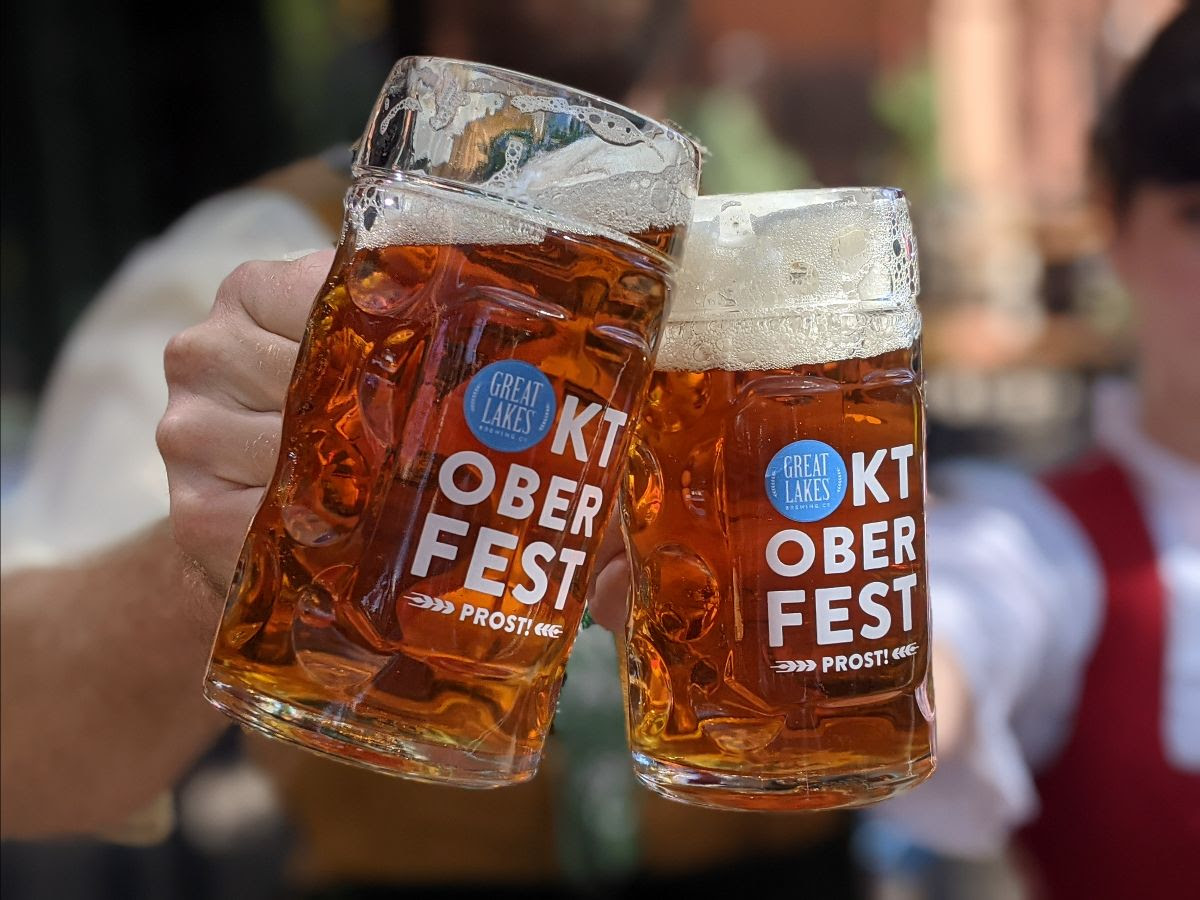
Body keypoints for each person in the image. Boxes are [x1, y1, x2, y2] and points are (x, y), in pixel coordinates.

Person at [859, 7, 1198, 897]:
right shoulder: (1041, 544)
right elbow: (949, 645)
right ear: (1110, 216)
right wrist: (837, 640)